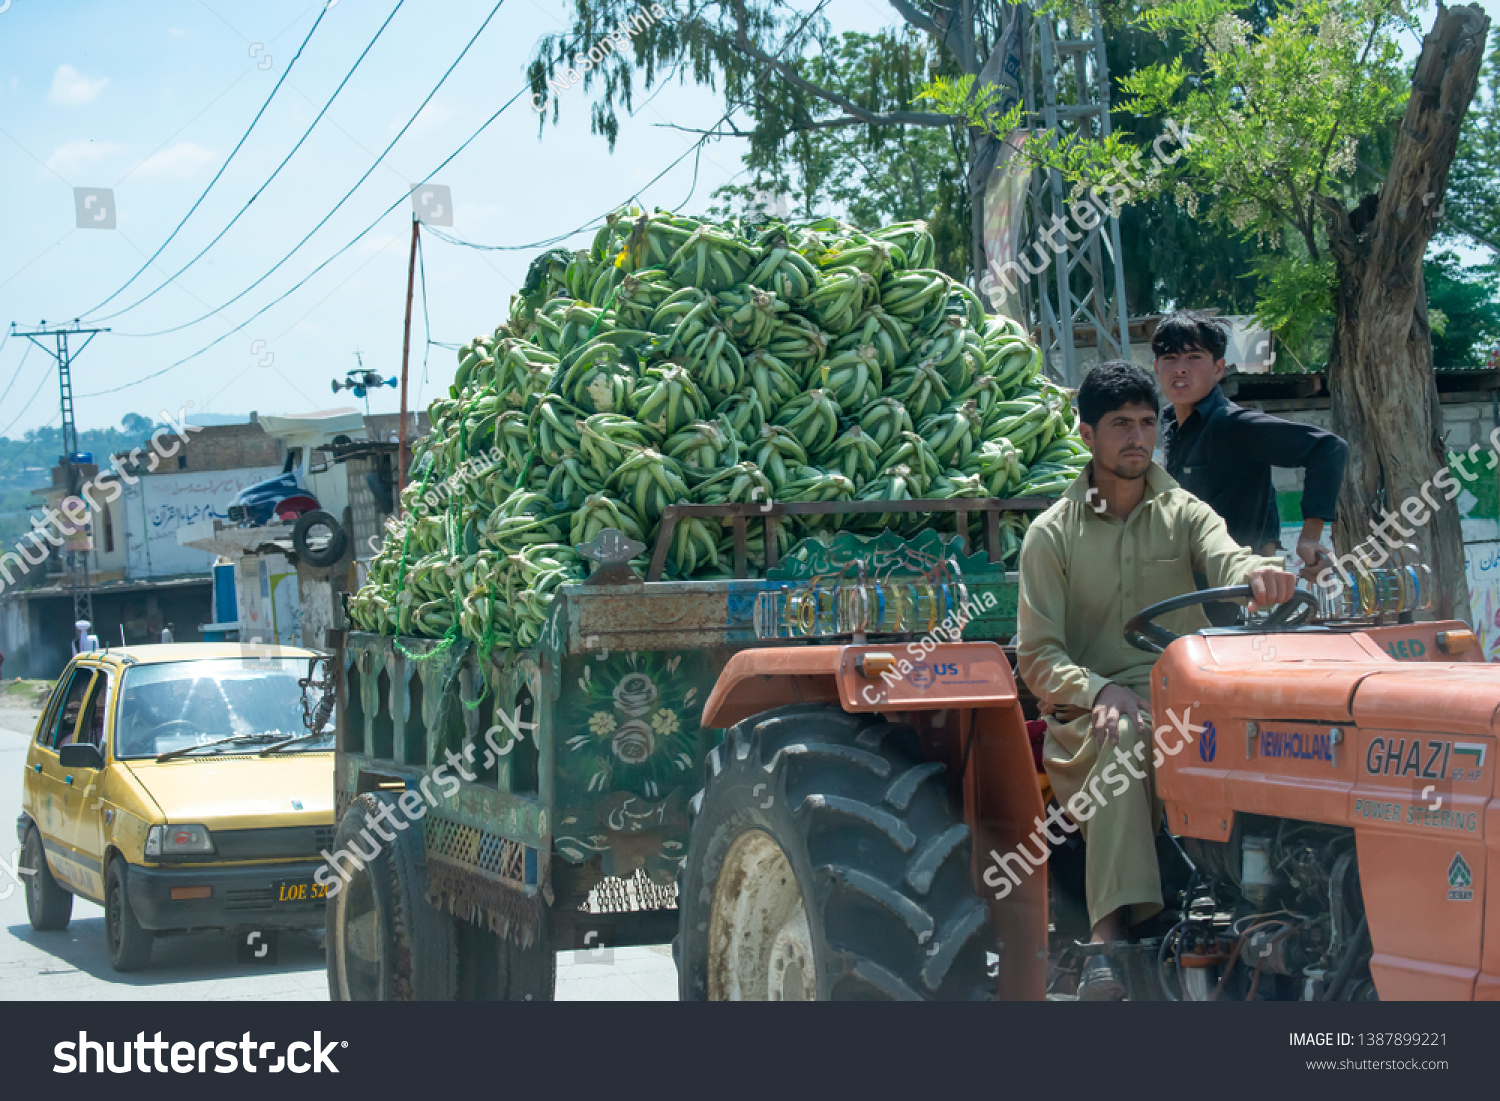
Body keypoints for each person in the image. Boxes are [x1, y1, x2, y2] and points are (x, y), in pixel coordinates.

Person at [1015, 361, 1296, 1000]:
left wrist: (1261, 573)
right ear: (1087, 434)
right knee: (1126, 735)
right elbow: (1036, 656)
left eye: (1147, 423)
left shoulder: (1185, 512)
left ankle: (1277, 906)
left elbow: (1229, 555)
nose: (1137, 437)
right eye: (1120, 425)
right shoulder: (1051, 535)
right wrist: (1099, 690)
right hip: (1089, 712)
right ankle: (1108, 943)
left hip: (1190, 693)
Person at [1154, 311, 1347, 580]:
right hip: (1187, 585)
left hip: (1234, 586)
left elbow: (1328, 448)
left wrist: (1310, 537)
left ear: (1218, 369)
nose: (1180, 368)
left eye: (1194, 357)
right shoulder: (1168, 423)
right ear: (1156, 368)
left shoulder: (1232, 423)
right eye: (1170, 358)